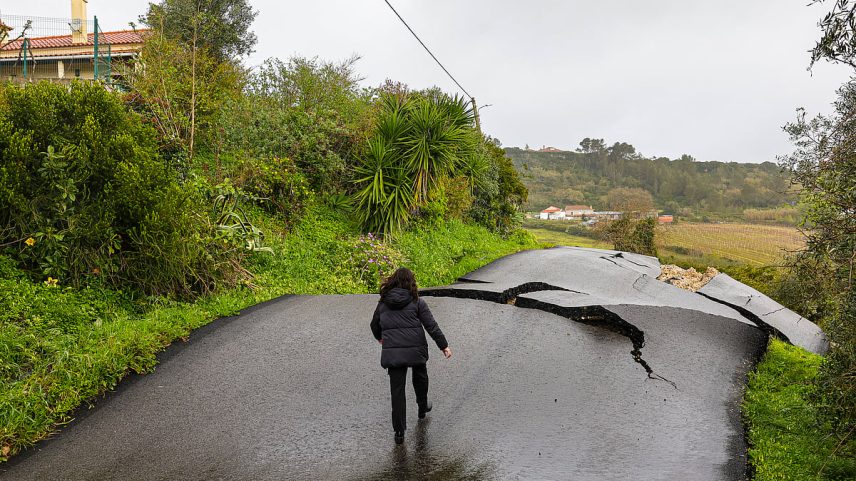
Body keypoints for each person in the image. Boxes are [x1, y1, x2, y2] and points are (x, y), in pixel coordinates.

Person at [370, 267, 452, 445]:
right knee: (420, 376)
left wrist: (380, 338)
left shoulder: (383, 303)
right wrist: (443, 345)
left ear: (392, 281)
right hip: (416, 350)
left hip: (393, 352)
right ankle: (422, 407)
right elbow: (431, 326)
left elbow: (374, 325)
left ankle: (399, 432)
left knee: (397, 391)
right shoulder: (417, 302)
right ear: (411, 282)